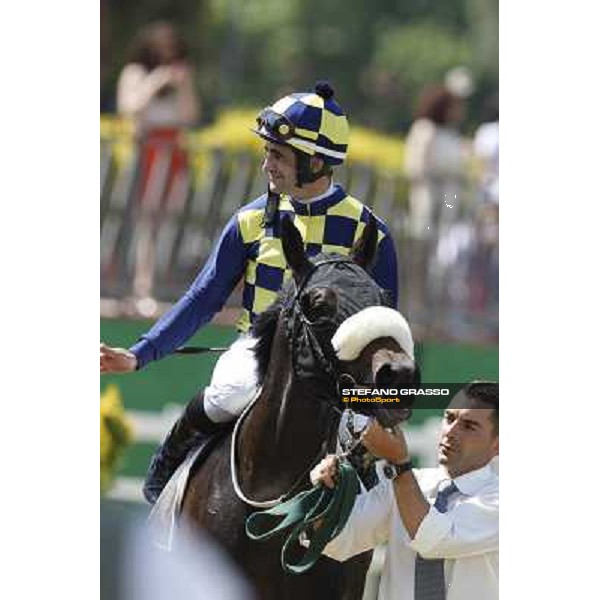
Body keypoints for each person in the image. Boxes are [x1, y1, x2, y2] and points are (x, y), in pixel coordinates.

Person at [100, 81, 400, 505]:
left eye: (277, 155)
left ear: (314, 162)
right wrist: (139, 353)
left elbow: (387, 321)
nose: (267, 166)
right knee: (230, 393)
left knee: (368, 444)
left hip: (340, 366)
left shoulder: (370, 231)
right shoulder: (249, 221)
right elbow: (203, 298)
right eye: (267, 154)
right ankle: (169, 465)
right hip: (260, 349)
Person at [310, 381, 499, 600]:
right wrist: (326, 489)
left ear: (498, 444)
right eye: (449, 418)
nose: (451, 432)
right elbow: (337, 539)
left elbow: (433, 540)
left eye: (469, 426)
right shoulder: (407, 483)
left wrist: (399, 463)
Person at [116, 21, 200, 210]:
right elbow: (129, 108)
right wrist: (156, 81)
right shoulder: (134, 72)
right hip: (145, 144)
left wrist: (184, 86)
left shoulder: (181, 77)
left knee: (172, 208)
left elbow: (190, 117)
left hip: (173, 145)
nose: (168, 52)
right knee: (144, 206)